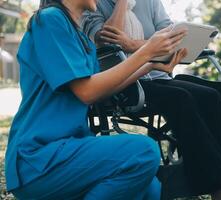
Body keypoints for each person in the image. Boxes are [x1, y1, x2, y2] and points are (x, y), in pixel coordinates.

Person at [81, 1, 221, 200]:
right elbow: (109, 41)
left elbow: (172, 40)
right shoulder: (93, 4)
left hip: (159, 75)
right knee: (180, 97)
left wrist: (133, 45)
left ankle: (219, 190)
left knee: (209, 95)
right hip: (124, 83)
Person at [4, 0, 188, 199]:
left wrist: (150, 65)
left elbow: (98, 90)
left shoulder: (77, 34)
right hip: (38, 158)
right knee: (144, 152)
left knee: (149, 187)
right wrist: (146, 52)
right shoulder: (50, 20)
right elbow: (87, 92)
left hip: (69, 149)